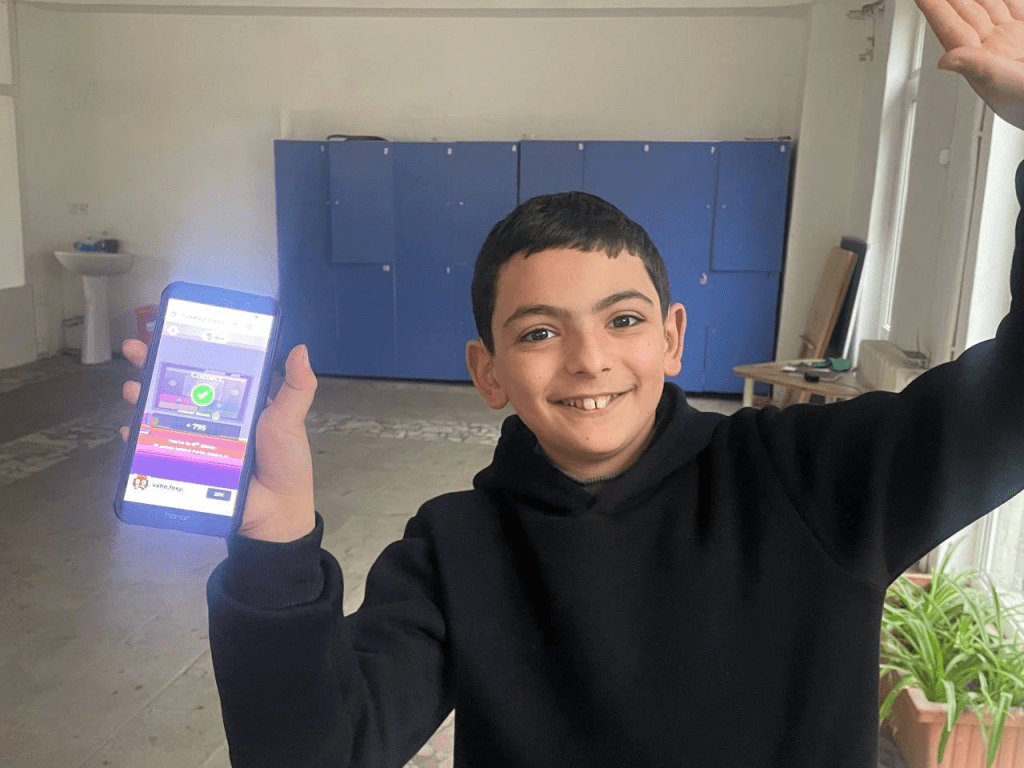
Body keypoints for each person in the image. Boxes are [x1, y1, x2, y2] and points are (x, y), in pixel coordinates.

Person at [118, 1, 1024, 765]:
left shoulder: (809, 480)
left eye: (622, 320)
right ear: (488, 372)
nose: (589, 360)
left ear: (672, 338)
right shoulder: (457, 549)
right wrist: (275, 544)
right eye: (540, 332)